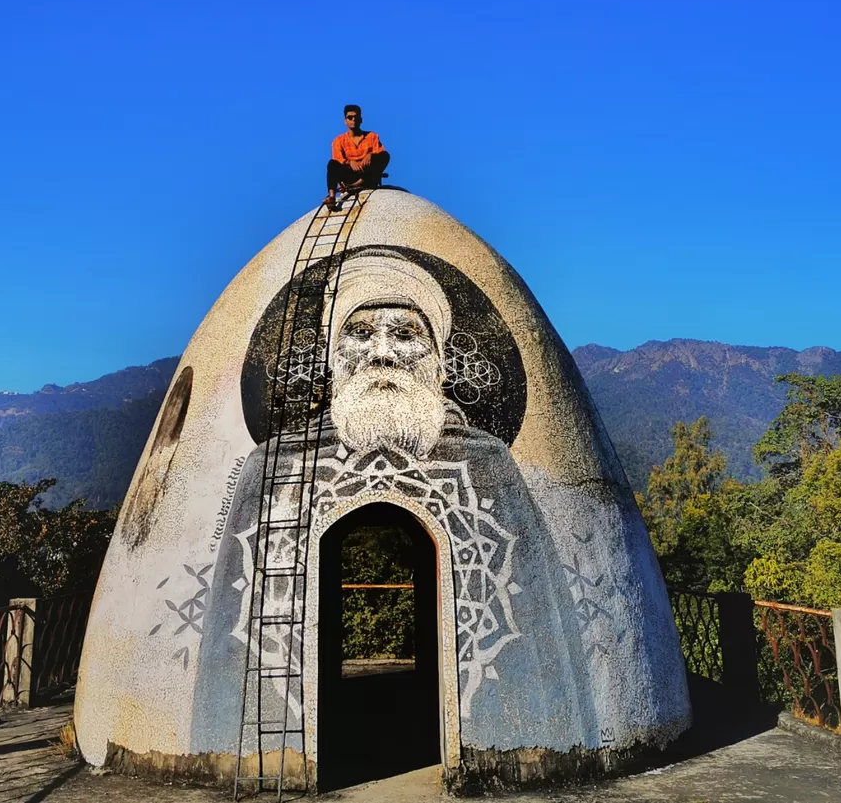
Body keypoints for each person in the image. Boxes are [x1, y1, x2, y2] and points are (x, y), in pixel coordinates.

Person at [190, 249, 590, 755]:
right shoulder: (275, 464)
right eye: (359, 334)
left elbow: (534, 635)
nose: (382, 353)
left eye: (405, 335)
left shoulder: (487, 462)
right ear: (334, 356)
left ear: (439, 359)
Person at [326, 104, 389, 210]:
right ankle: (331, 197)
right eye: (350, 117)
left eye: (356, 117)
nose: (353, 120)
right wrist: (350, 162)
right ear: (345, 121)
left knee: (384, 156)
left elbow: (380, 153)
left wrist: (370, 155)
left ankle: (359, 183)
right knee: (332, 164)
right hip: (350, 175)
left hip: (367, 175)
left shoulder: (372, 136)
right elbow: (338, 159)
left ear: (361, 120)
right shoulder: (339, 140)